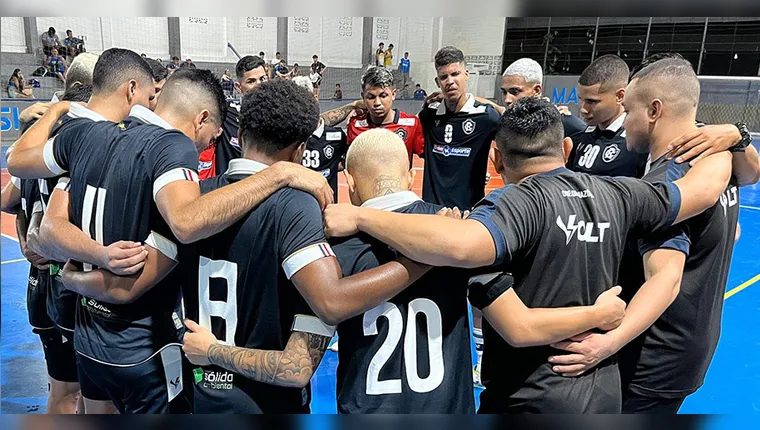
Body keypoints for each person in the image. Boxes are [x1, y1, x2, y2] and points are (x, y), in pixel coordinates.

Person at [323, 96, 733, 413]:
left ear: (497, 158)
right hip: (601, 392)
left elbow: (465, 251)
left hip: (529, 395)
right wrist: (733, 137)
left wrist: (361, 216)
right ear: (567, 148)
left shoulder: (508, 208)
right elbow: (700, 191)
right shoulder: (620, 193)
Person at [7, 65, 333, 414]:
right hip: (148, 351)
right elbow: (185, 224)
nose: (211, 142)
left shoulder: (87, 135)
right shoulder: (177, 156)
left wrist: (79, 269)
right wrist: (280, 173)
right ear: (201, 119)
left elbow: (39, 218)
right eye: (212, 132)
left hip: (89, 336)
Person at [330, 128, 628, 414]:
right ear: (410, 178)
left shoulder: (334, 246)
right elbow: (519, 323)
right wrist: (599, 315)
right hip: (449, 411)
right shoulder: (465, 233)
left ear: (350, 181)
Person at [176, 79, 430, 413]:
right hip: (265, 401)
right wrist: (424, 260)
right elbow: (304, 352)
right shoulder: (295, 206)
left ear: (241, 135)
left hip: (197, 391)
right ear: (299, 150)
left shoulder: (191, 200)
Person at [552, 58, 757, 414]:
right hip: (690, 345)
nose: (625, 120)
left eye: (628, 110)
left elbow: (665, 278)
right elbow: (750, 175)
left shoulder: (668, 183)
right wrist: (738, 135)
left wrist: (607, 344)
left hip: (651, 354)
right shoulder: (720, 159)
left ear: (654, 110)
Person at [418, 46, 501, 210]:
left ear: (466, 74)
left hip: (468, 213)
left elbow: (516, 133)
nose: (450, 81)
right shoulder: (428, 115)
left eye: (455, 74)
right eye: (444, 77)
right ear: (437, 82)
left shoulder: (486, 117)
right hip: (431, 212)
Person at [566, 55, 649, 178]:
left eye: (592, 101)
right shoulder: (579, 137)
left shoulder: (640, 145)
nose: (583, 109)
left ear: (620, 96)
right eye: (580, 99)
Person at [197, 55, 268, 180]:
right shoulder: (225, 112)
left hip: (266, 188)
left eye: (262, 79)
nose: (259, 85)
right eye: (251, 81)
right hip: (230, 190)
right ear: (238, 87)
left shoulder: (278, 115)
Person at [347, 67, 424, 166]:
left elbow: (434, 157)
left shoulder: (412, 124)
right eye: (371, 97)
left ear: (393, 94)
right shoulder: (355, 125)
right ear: (363, 97)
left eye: (383, 96)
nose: (377, 103)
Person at [292, 76, 349, 202]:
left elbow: (349, 161)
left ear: (315, 98)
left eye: (304, 101)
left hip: (328, 211)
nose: (300, 108)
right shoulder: (286, 137)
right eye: (295, 103)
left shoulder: (338, 137)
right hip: (296, 209)